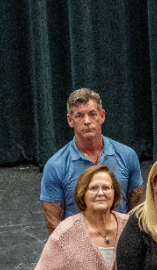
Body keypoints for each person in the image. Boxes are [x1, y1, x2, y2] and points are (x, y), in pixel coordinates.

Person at [40, 88, 143, 234]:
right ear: (70, 120)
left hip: (120, 242)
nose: (87, 121)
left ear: (102, 116)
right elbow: (53, 224)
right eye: (79, 116)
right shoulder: (55, 166)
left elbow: (136, 211)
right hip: (77, 244)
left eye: (92, 114)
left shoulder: (127, 156)